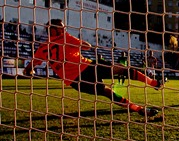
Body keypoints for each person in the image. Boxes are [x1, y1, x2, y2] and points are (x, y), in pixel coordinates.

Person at [23, 19, 163, 118]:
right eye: (61, 27)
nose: (64, 29)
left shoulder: (42, 48)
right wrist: (71, 40)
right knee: (123, 71)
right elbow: (86, 46)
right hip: (87, 67)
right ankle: (154, 83)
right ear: (53, 29)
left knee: (108, 93)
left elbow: (29, 67)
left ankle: (139, 109)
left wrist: (30, 70)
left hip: (75, 81)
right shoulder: (65, 38)